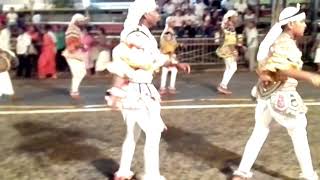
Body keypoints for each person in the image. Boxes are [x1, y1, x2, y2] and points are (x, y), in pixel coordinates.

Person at [105, 0, 190, 179]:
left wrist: (175, 63)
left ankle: (124, 171)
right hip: (138, 91)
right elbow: (125, 63)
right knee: (153, 133)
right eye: (156, 11)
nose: (158, 15)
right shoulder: (137, 36)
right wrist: (116, 90)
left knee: (133, 134)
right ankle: (151, 175)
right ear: (146, 15)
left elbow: (155, 58)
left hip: (137, 90)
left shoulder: (143, 35)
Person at [232, 4, 320, 180]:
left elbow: (264, 65)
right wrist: (309, 76)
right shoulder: (285, 43)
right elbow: (281, 69)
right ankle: (310, 176)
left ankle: (242, 172)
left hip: (266, 96)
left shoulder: (278, 41)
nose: (305, 25)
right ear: (290, 24)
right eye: (301, 22)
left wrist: (264, 74)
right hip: (282, 95)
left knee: (260, 131)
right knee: (299, 132)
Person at [62, 14, 89, 99]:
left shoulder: (75, 28)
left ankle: (74, 90)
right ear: (77, 21)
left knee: (80, 72)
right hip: (73, 52)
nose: (83, 22)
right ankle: (74, 91)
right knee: (79, 73)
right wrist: (82, 46)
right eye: (81, 21)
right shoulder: (73, 28)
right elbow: (72, 42)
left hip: (75, 52)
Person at [216, 10, 239, 95]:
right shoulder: (230, 26)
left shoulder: (226, 25)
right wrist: (234, 51)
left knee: (229, 68)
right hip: (228, 49)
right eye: (235, 16)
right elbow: (230, 41)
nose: (237, 18)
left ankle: (223, 86)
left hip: (225, 48)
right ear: (231, 17)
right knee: (233, 67)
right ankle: (223, 85)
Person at [159, 16, 180, 94]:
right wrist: (171, 54)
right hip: (168, 54)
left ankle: (165, 87)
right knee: (169, 70)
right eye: (173, 22)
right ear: (169, 23)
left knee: (169, 70)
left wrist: (178, 45)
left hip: (168, 53)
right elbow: (167, 45)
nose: (174, 23)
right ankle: (167, 87)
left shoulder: (169, 31)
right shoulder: (168, 32)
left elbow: (172, 43)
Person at [0, 20, 15, 99]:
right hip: (2, 53)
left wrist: (2, 52)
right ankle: (5, 91)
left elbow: (3, 45)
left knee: (3, 73)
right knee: (3, 74)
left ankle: (5, 91)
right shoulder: (4, 32)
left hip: (2, 53)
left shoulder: (5, 32)